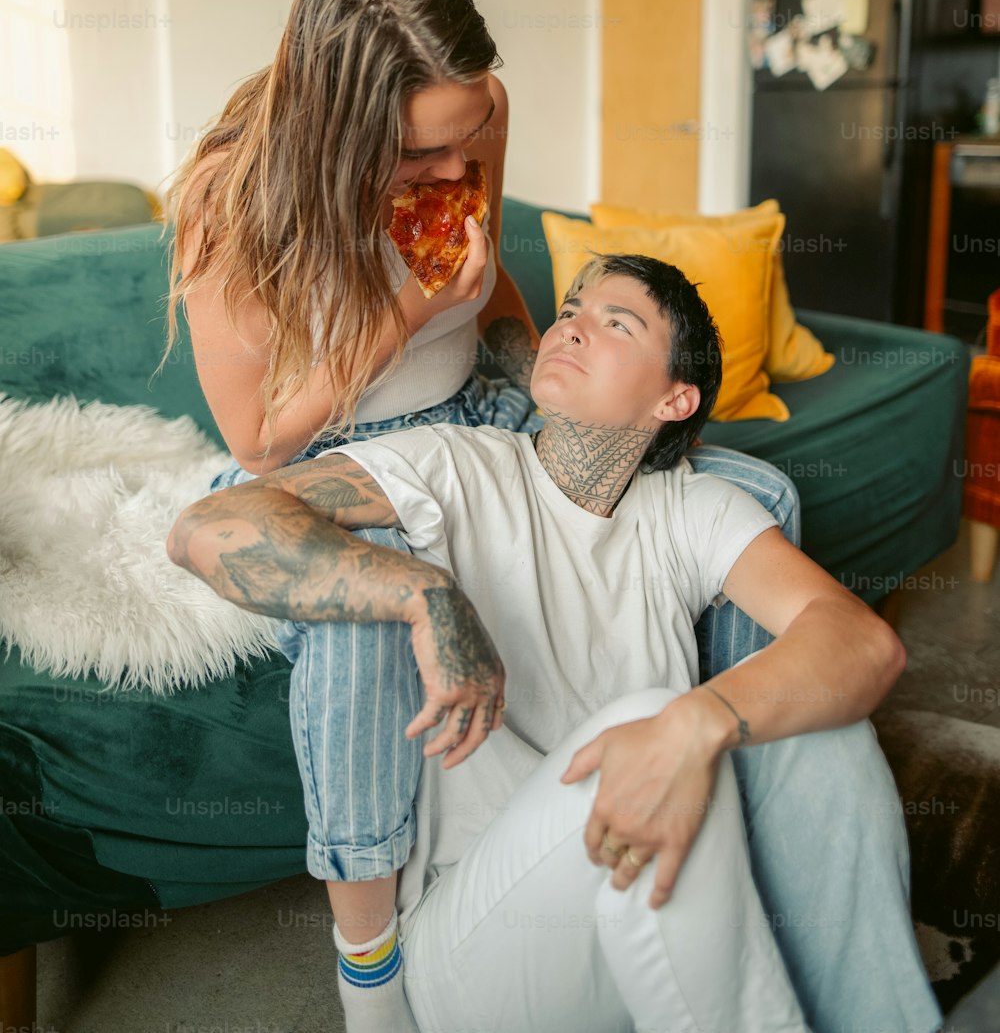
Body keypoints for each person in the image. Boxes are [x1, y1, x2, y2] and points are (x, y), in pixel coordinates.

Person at [163, 0, 812, 1031]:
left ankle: (727, 806)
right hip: (335, 450)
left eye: (469, 136)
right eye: (422, 152)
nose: (453, 164)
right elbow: (262, 439)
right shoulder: (231, 196)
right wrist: (406, 316)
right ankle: (368, 970)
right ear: (339, 130)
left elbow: (491, 281)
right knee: (360, 609)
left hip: (482, 408)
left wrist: (554, 382)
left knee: (757, 491)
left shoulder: (472, 113)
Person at [169, 254, 941, 1033]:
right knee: (640, 737)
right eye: (573, 306)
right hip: (474, 947)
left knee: (822, 737)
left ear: (675, 397)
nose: (571, 321)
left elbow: (859, 643)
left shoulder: (691, 510)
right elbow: (210, 526)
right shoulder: (455, 465)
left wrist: (696, 722)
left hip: (634, 917)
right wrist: (420, 590)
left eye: (618, 321)